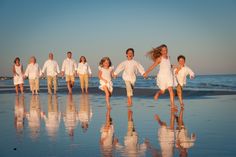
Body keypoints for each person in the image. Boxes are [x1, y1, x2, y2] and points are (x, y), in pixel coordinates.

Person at [143, 44, 177, 111]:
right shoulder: (159, 58)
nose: (165, 51)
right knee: (163, 91)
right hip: (162, 76)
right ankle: (158, 93)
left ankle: (172, 105)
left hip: (169, 75)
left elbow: (168, 65)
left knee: (170, 89)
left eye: (166, 50)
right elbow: (153, 66)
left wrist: (175, 66)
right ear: (161, 51)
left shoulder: (168, 57)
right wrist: (146, 72)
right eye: (163, 50)